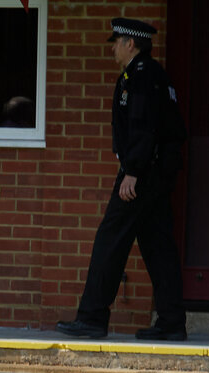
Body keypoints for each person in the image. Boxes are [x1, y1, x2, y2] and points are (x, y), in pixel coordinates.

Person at [56, 17, 188, 342]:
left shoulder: (141, 77)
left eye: (117, 41)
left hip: (141, 174)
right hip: (155, 173)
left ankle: (91, 317)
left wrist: (132, 171)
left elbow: (144, 127)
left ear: (131, 43)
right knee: (158, 247)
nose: (113, 47)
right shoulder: (152, 75)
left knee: (110, 240)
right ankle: (172, 321)